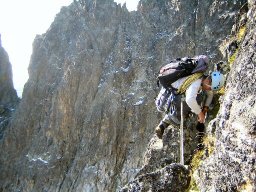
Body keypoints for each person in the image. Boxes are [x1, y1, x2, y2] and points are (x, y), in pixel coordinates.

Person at [155, 70, 225, 139]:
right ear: (208, 82)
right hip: (168, 99)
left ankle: (163, 125)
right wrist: (200, 114)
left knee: (199, 97)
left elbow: (210, 94)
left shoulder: (201, 77)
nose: (209, 89)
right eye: (210, 87)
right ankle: (175, 120)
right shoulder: (196, 83)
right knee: (197, 99)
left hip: (172, 95)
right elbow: (190, 100)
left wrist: (205, 109)